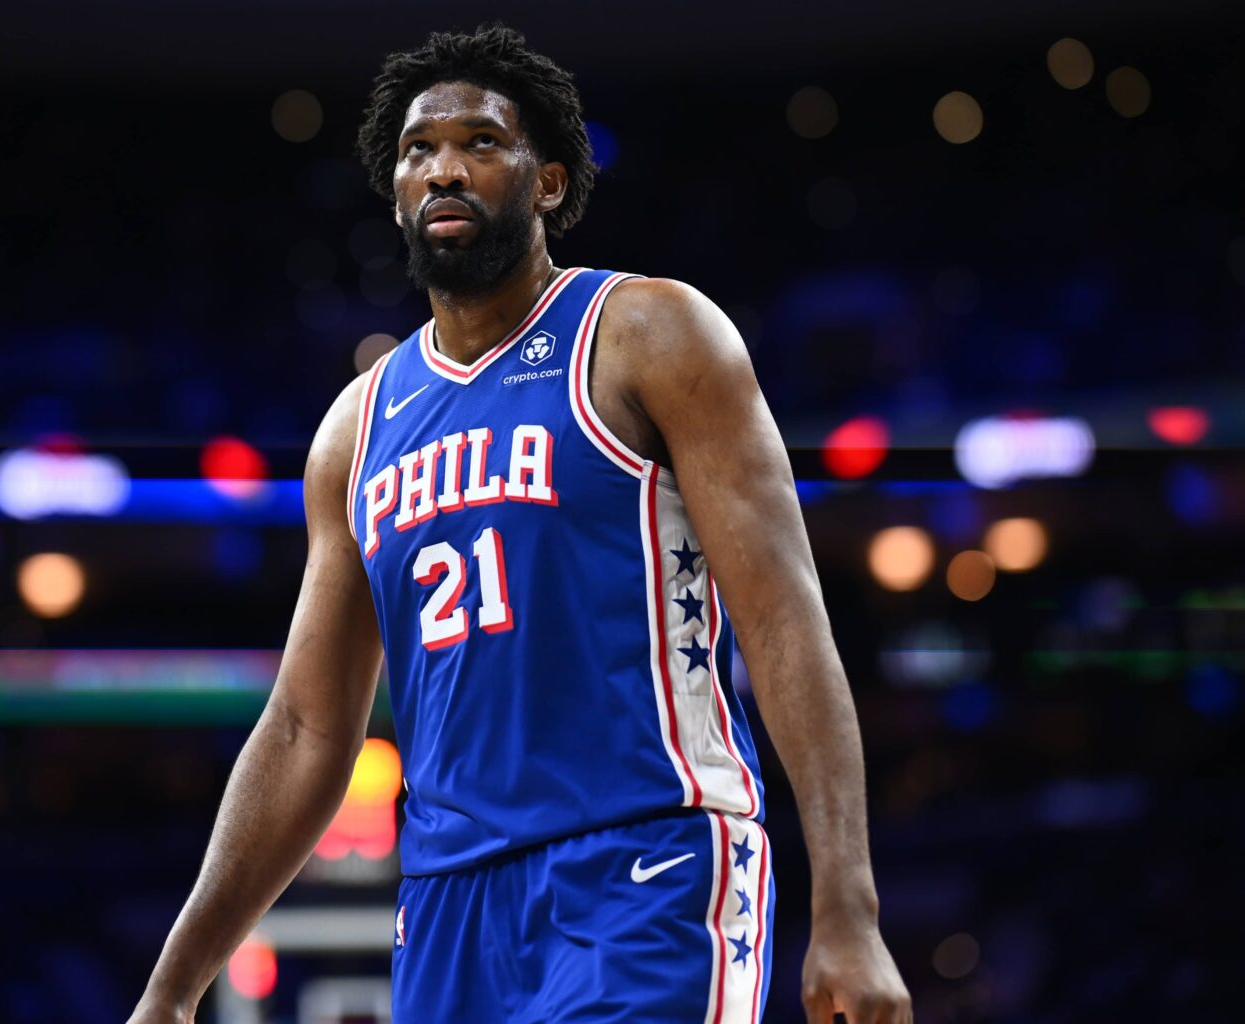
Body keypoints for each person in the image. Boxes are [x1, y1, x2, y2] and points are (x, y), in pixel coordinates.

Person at [130, 23, 911, 1024]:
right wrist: (172, 987)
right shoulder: (358, 428)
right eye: (420, 149)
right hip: (449, 909)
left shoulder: (648, 334)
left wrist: (848, 904)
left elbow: (786, 621)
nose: (445, 167)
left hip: (648, 860)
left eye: (481, 142)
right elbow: (302, 729)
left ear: (547, 183)